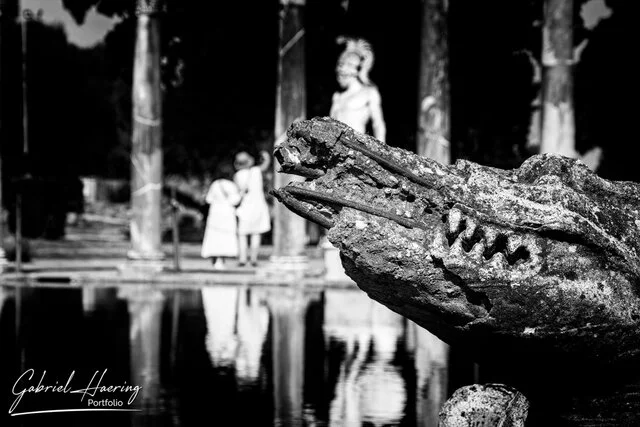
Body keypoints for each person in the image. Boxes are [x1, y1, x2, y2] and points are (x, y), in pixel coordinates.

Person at [330, 37, 386, 142]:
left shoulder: (369, 93)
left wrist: (382, 153)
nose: (339, 70)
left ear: (356, 69)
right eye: (339, 65)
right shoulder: (337, 96)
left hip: (356, 150)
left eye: (344, 65)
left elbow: (378, 125)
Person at [201, 162, 242, 270]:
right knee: (225, 237)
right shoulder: (231, 185)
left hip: (215, 213)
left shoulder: (215, 184)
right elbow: (235, 200)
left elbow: (208, 199)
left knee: (215, 236)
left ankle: (215, 260)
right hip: (227, 213)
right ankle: (221, 260)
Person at [234, 150, 271, 267]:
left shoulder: (237, 176)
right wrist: (266, 156)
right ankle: (254, 258)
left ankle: (242, 259)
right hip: (258, 207)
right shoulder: (256, 171)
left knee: (242, 235)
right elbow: (265, 165)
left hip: (244, 208)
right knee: (256, 233)